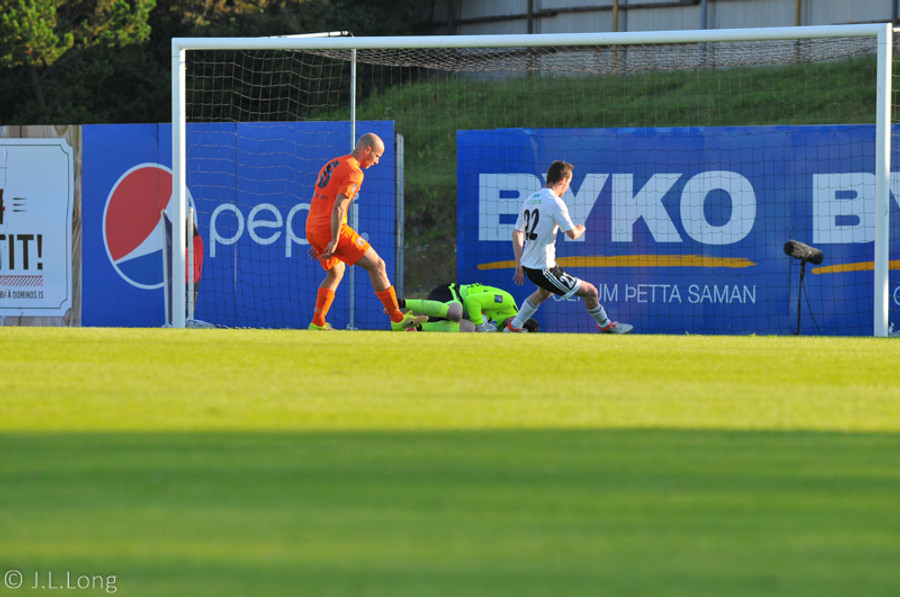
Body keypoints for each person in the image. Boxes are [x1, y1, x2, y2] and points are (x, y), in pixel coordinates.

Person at [305, 133, 425, 331]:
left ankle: (317, 322)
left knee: (336, 271)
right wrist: (333, 239)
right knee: (377, 265)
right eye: (376, 156)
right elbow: (338, 207)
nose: (377, 162)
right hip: (329, 229)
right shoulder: (355, 172)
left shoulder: (334, 163)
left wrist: (318, 237)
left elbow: (320, 198)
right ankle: (397, 319)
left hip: (313, 227)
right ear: (367, 150)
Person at [504, 160, 633, 334]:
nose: (568, 187)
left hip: (530, 265)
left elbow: (516, 233)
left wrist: (519, 262)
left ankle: (514, 327)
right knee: (591, 292)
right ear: (563, 180)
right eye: (569, 182)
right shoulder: (554, 202)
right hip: (544, 269)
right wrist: (580, 229)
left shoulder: (531, 199)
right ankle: (607, 326)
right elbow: (572, 234)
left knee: (544, 293)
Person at [417, 282, 538, 332]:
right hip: (450, 293)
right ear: (520, 317)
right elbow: (472, 301)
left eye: (512, 329)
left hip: (448, 316)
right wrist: (480, 326)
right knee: (456, 313)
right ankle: (406, 303)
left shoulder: (504, 331)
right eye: (514, 323)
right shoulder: (507, 302)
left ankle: (417, 327)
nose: (509, 326)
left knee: (469, 328)